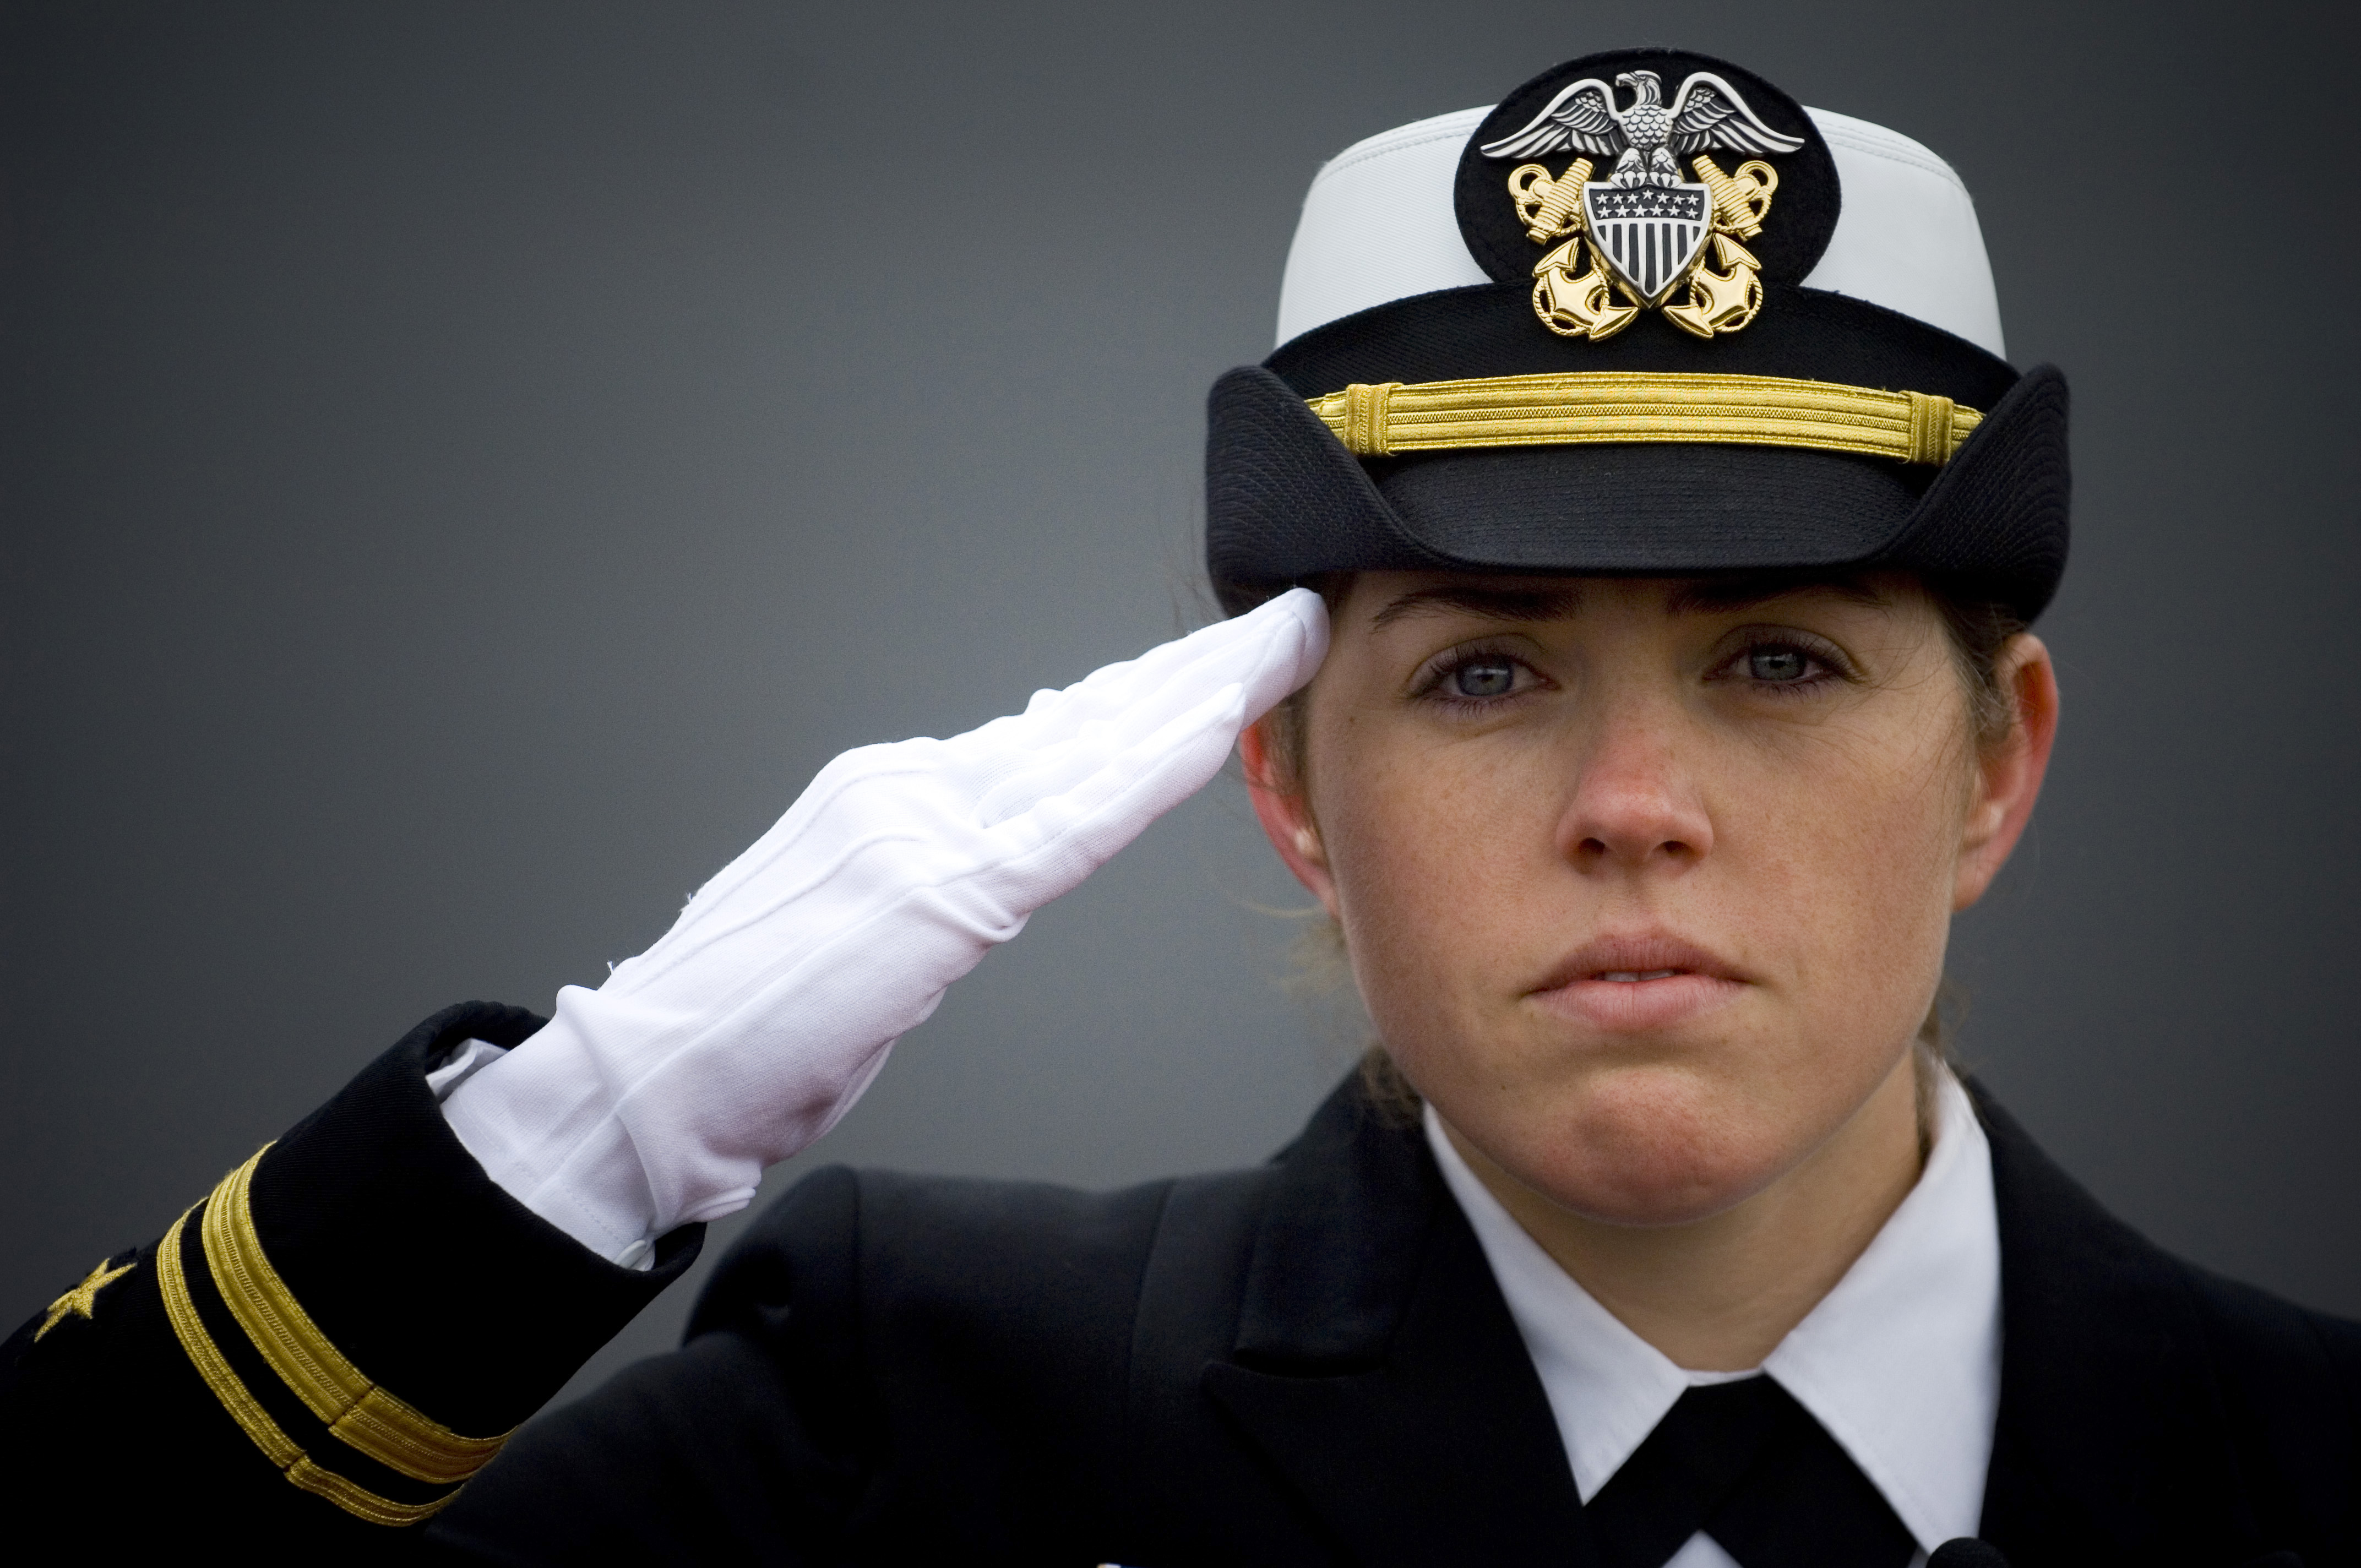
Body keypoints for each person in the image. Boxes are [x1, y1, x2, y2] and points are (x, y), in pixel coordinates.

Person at [2, 46, 2353, 1567]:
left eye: (1776, 657)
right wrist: (575, 1143)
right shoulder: (901, 1429)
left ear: (1995, 761)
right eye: (1485, 671)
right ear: (1291, 786)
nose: (1634, 803)